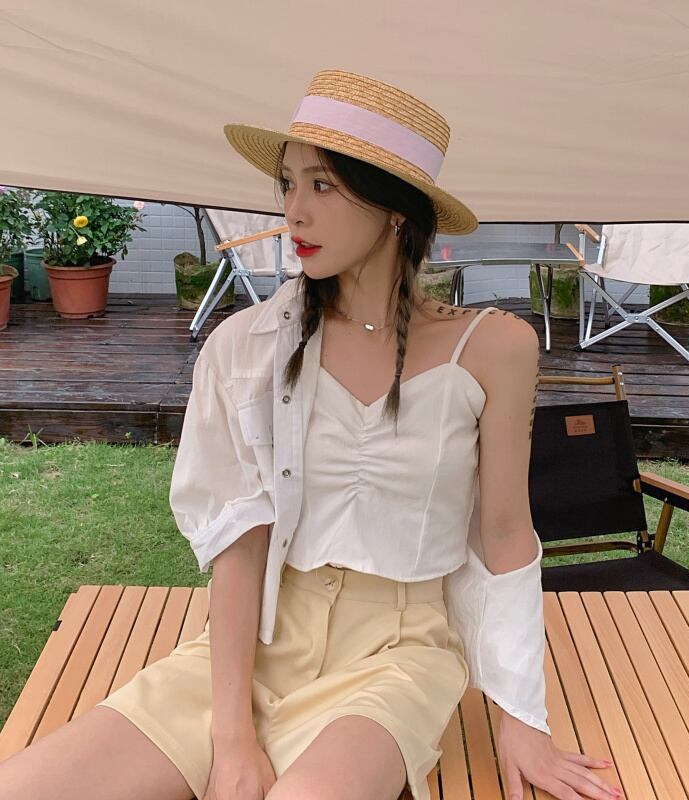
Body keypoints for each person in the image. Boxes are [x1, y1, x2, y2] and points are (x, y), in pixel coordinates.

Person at [0, 69, 622, 800]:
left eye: (322, 185)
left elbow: (507, 533)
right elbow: (241, 539)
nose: (294, 210)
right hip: (258, 643)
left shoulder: (495, 346)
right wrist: (231, 737)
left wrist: (523, 718)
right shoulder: (246, 348)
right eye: (288, 184)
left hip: (398, 654)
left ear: (395, 209)